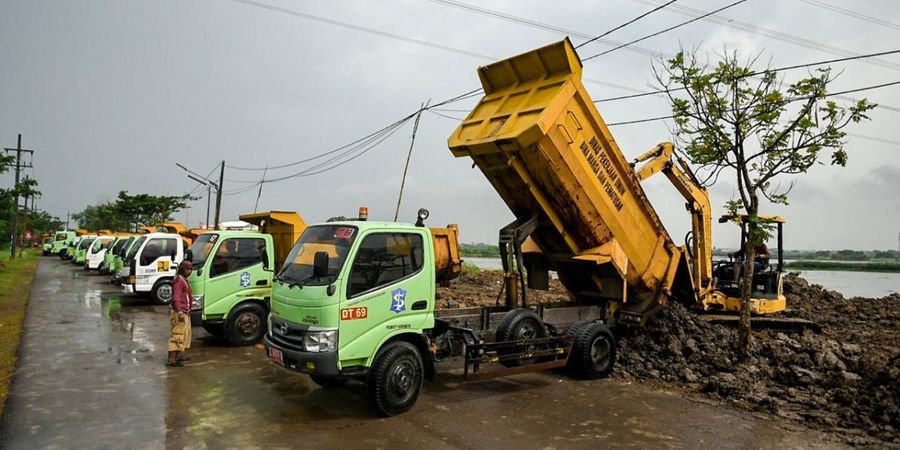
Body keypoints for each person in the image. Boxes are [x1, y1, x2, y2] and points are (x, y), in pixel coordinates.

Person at [167, 260, 193, 367]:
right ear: (182, 270)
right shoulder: (179, 282)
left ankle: (178, 356)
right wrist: (180, 312)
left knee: (184, 336)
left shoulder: (183, 280)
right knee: (177, 335)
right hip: (180, 313)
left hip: (184, 312)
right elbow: (175, 299)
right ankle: (171, 360)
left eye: (191, 269)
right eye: (187, 269)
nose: (189, 272)